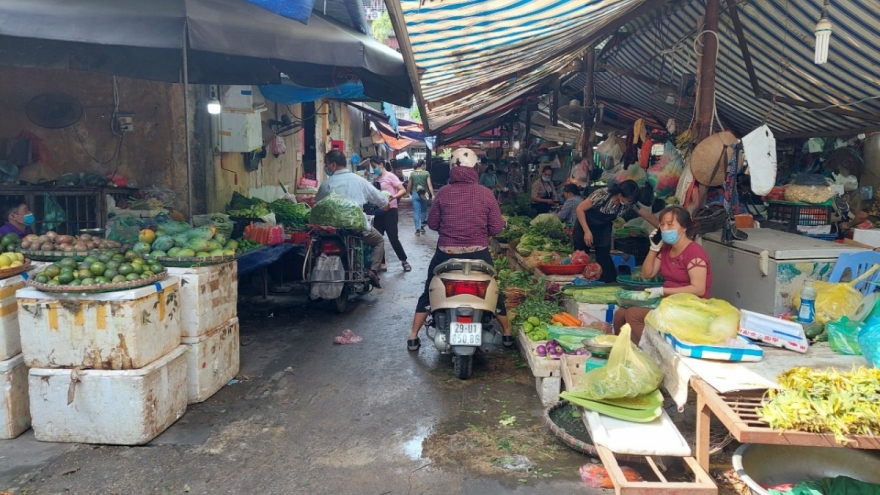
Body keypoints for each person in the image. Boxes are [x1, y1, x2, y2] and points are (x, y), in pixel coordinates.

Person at [406, 147, 513, 351]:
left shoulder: (444, 193)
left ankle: (413, 336)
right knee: (493, 289)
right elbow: (497, 228)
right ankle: (507, 333)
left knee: (430, 289)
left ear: (451, 169)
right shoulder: (486, 194)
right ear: (475, 169)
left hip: (446, 255)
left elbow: (434, 224)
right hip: (479, 255)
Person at [613, 206, 713, 343]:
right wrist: (653, 248)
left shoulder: (694, 252)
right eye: (662, 224)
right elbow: (647, 274)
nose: (664, 229)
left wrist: (662, 290)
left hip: (690, 307)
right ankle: (623, 350)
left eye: (670, 225)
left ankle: (653, 352)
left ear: (683, 228)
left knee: (633, 315)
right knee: (620, 314)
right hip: (669, 302)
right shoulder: (667, 250)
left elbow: (699, 289)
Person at [316, 150, 389, 288]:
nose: (326, 167)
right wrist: (385, 206)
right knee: (379, 241)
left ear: (332, 165)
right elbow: (382, 200)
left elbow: (318, 204)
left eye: (326, 164)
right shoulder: (359, 180)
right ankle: (372, 271)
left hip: (332, 229)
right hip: (356, 228)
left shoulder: (326, 184)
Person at [573, 180, 658, 283]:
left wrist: (663, 228)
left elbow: (648, 216)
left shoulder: (630, 203)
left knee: (604, 259)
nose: (629, 201)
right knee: (581, 258)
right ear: (620, 194)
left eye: (631, 200)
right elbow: (579, 209)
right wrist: (587, 231)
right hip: (584, 226)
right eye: (628, 199)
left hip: (603, 229)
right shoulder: (602, 194)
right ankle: (579, 282)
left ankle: (606, 284)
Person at [373, 161, 411, 272]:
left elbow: (403, 190)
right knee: (378, 238)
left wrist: (393, 197)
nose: (373, 168)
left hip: (391, 210)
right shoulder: (376, 178)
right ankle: (382, 263)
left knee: (393, 237)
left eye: (374, 166)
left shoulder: (391, 176)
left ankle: (404, 261)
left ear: (381, 164)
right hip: (379, 211)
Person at [407, 160, 434, 235]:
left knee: (416, 212)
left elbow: (409, 185)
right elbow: (429, 185)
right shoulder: (426, 173)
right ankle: (422, 227)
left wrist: (407, 193)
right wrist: (433, 194)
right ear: (422, 165)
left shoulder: (412, 174)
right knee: (423, 211)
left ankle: (417, 230)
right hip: (424, 194)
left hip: (415, 194)